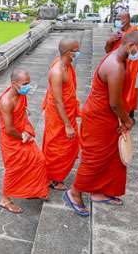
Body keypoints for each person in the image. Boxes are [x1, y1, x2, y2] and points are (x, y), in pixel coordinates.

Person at [65, 31, 138, 217]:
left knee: (112, 156)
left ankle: (98, 191)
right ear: (130, 46)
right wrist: (127, 120)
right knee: (94, 158)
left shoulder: (118, 58)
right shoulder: (116, 66)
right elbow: (114, 102)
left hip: (108, 115)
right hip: (99, 116)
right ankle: (74, 192)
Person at [0, 69, 49, 213]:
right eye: (25, 84)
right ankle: (5, 199)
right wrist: (23, 136)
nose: (28, 86)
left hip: (21, 132)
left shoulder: (20, 93)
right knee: (14, 168)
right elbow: (8, 129)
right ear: (14, 84)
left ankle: (32, 190)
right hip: (11, 138)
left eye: (29, 83)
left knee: (38, 160)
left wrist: (24, 112)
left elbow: (20, 109)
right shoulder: (6, 101)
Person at [41, 39, 81, 191]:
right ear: (68, 52)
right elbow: (58, 101)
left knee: (68, 145)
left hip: (67, 111)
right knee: (56, 147)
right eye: (76, 50)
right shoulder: (57, 71)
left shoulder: (67, 65)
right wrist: (68, 125)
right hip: (58, 115)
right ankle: (52, 177)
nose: (78, 52)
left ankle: (55, 174)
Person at [105, 12, 138, 119]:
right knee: (118, 90)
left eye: (119, 18)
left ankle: (129, 113)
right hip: (119, 65)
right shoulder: (116, 33)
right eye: (116, 18)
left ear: (126, 19)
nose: (117, 20)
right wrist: (109, 41)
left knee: (132, 91)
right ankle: (118, 111)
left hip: (134, 66)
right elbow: (108, 51)